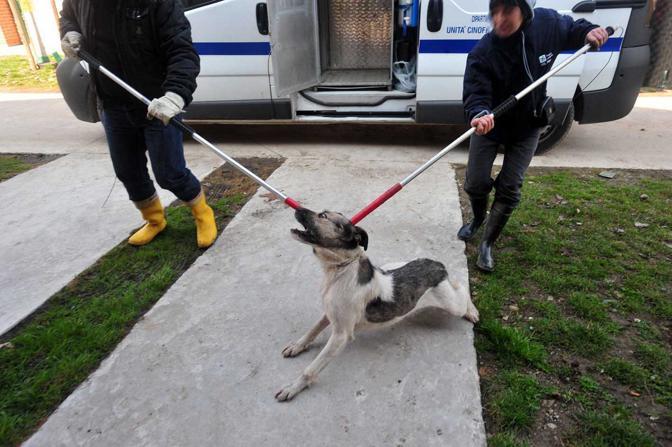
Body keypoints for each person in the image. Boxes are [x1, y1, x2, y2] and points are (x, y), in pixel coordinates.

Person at [458, 0, 609, 272]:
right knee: (476, 182)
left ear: (525, 10)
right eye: (495, 11)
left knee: (510, 186)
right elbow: (475, 92)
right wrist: (479, 112)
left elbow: (574, 29)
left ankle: (488, 244)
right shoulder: (483, 52)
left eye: (508, 10)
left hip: (529, 124)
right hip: (491, 123)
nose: (499, 18)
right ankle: (477, 220)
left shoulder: (547, 24)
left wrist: (589, 32)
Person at [59, 0, 217, 248]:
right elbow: (68, 15)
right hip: (111, 104)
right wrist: (69, 32)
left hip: (157, 105)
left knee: (170, 174)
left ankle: (203, 214)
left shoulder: (159, 3)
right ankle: (155, 220)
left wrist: (175, 95)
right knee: (128, 172)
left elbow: (182, 52)